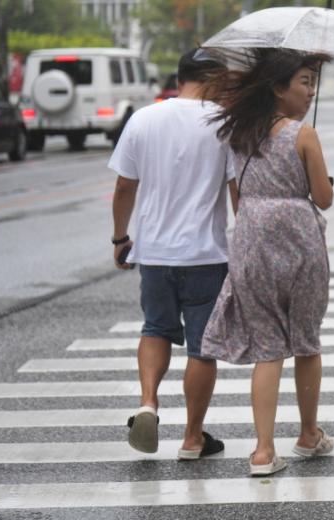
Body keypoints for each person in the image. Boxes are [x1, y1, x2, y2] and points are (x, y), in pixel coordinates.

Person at [201, 48, 334, 477]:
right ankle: (309, 433)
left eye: (312, 83)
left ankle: (262, 451)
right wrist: (324, 181)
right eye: (304, 83)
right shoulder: (304, 134)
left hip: (251, 237)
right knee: (306, 339)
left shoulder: (240, 132)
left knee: (268, 348)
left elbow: (237, 195)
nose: (310, 91)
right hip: (299, 238)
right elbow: (324, 198)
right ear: (279, 88)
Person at [109, 50, 236, 459]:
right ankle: (192, 438)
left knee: (155, 329)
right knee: (202, 349)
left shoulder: (144, 118)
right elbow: (238, 194)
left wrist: (119, 238)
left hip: (155, 254)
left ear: (180, 77)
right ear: (215, 79)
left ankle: (148, 402)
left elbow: (124, 188)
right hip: (204, 255)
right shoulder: (223, 125)